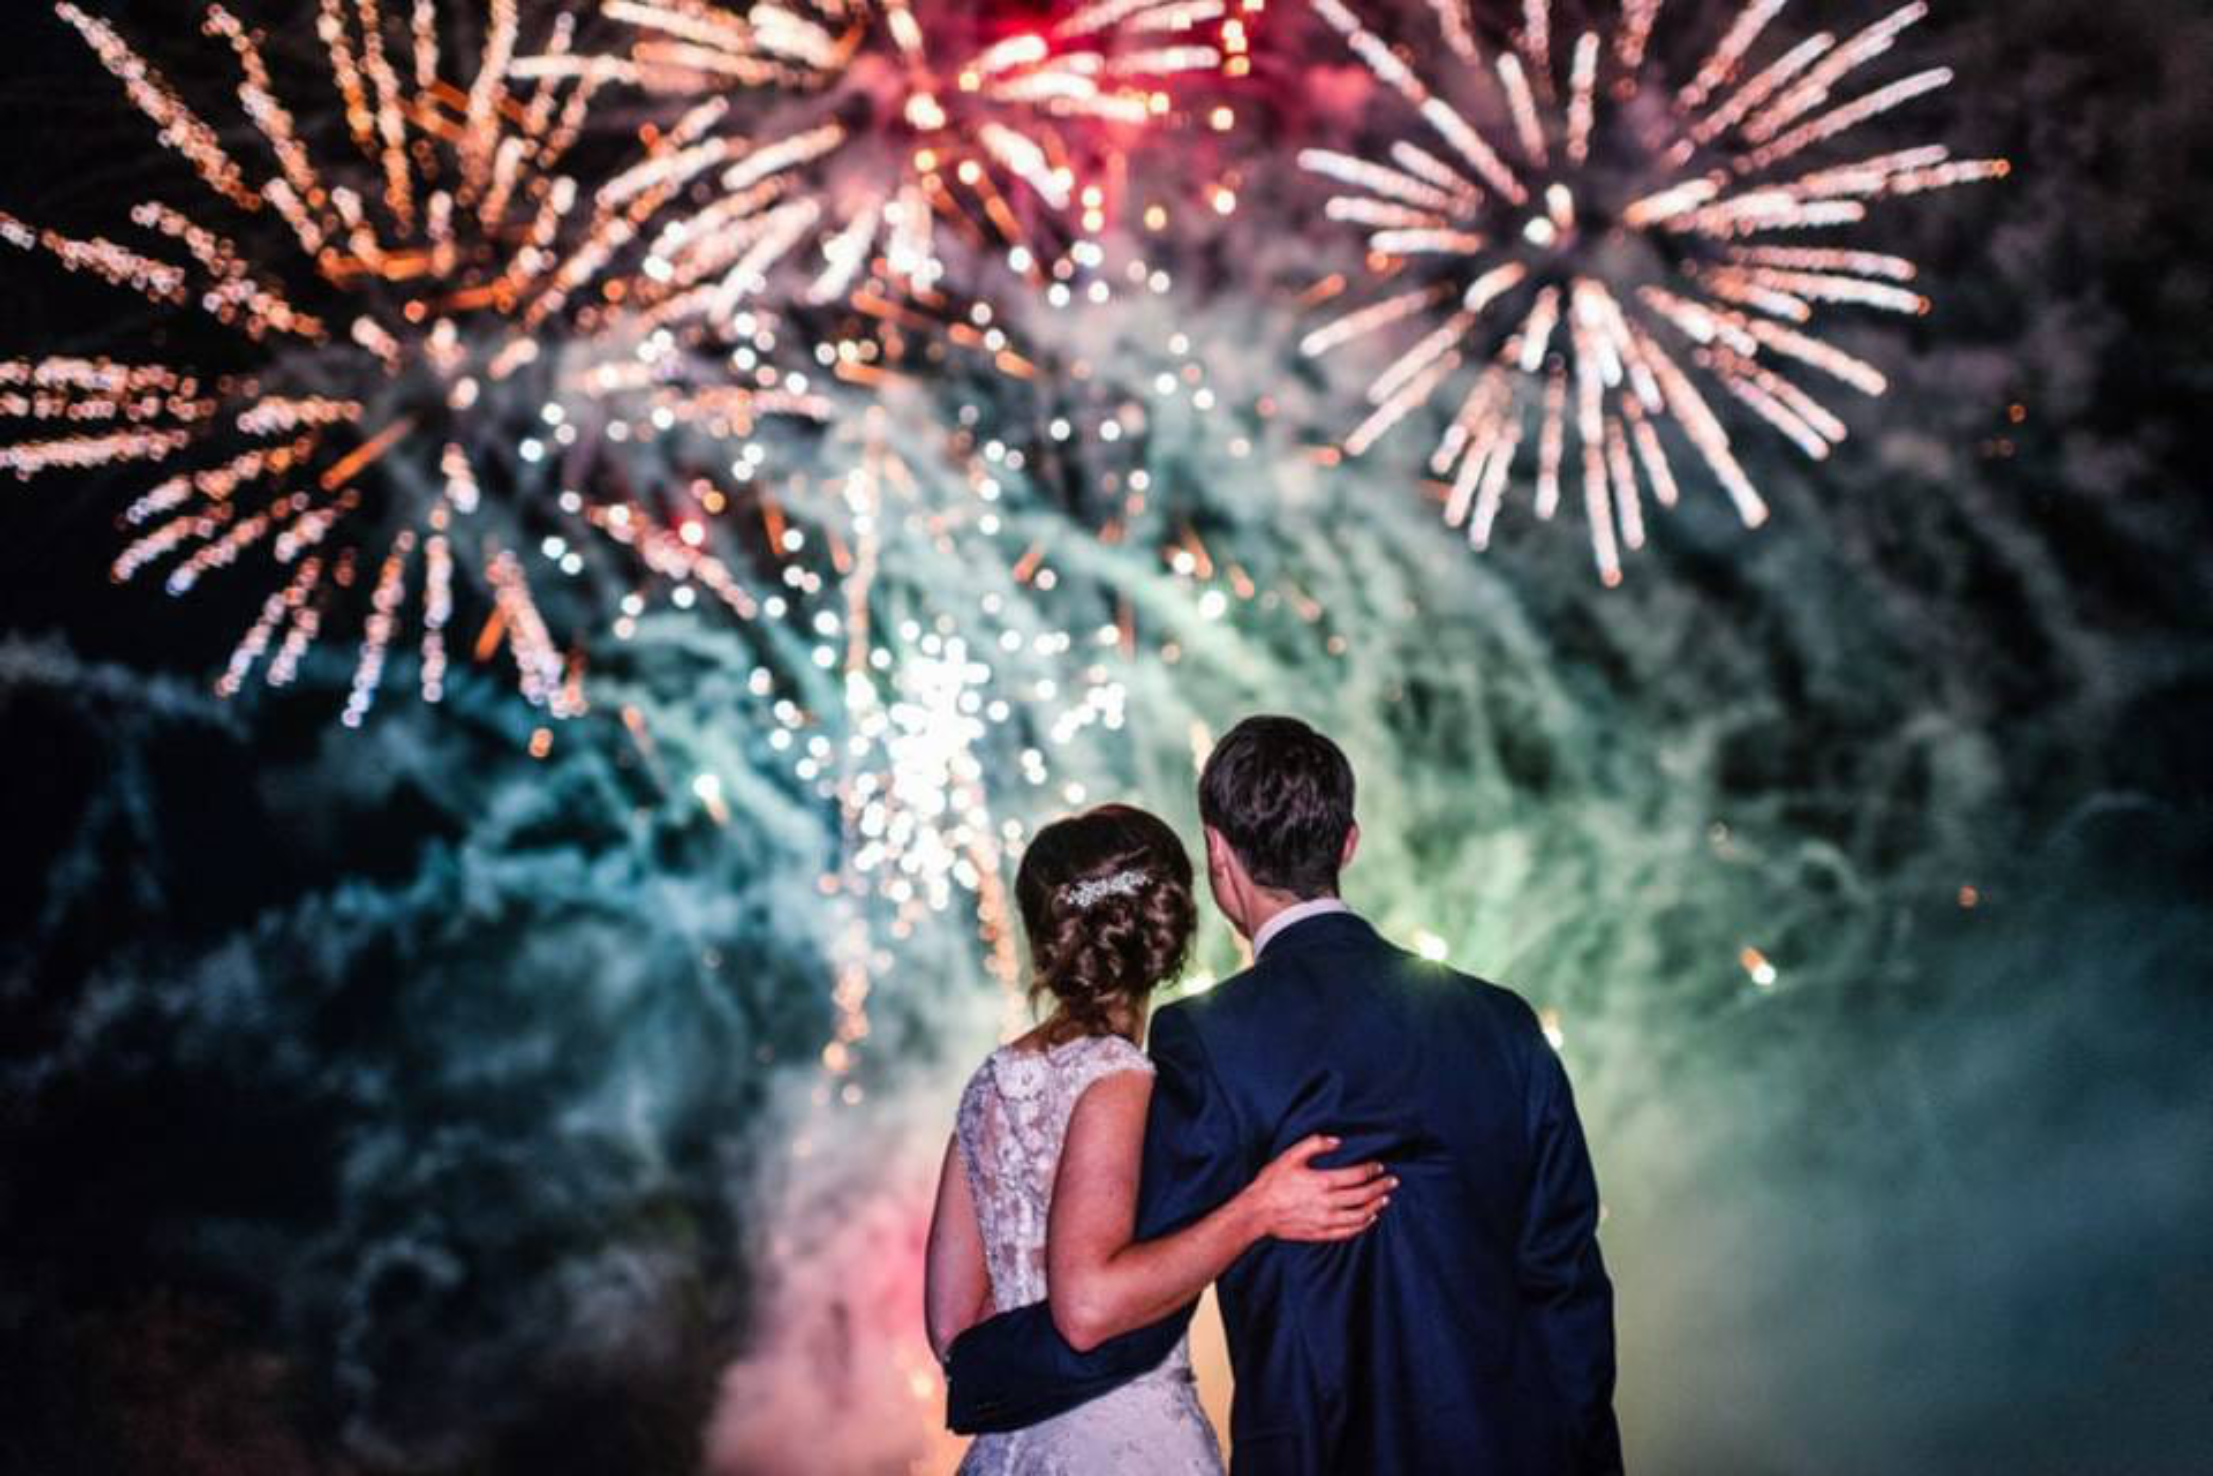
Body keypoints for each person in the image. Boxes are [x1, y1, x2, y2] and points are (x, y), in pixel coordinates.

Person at [945, 716, 1623, 1474]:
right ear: (1346, 844)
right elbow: (1568, 1290)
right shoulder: (1502, 1022)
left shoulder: (1206, 1039)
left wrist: (981, 1376)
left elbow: (1125, 1308)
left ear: (1217, 855)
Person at [925, 802, 1396, 1474]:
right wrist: (1257, 1209)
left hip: (1009, 1452)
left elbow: (952, 1333)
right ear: (1169, 927)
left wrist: (1042, 1264)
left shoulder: (990, 1085)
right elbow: (1087, 1309)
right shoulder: (1117, 1076)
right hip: (1123, 1446)